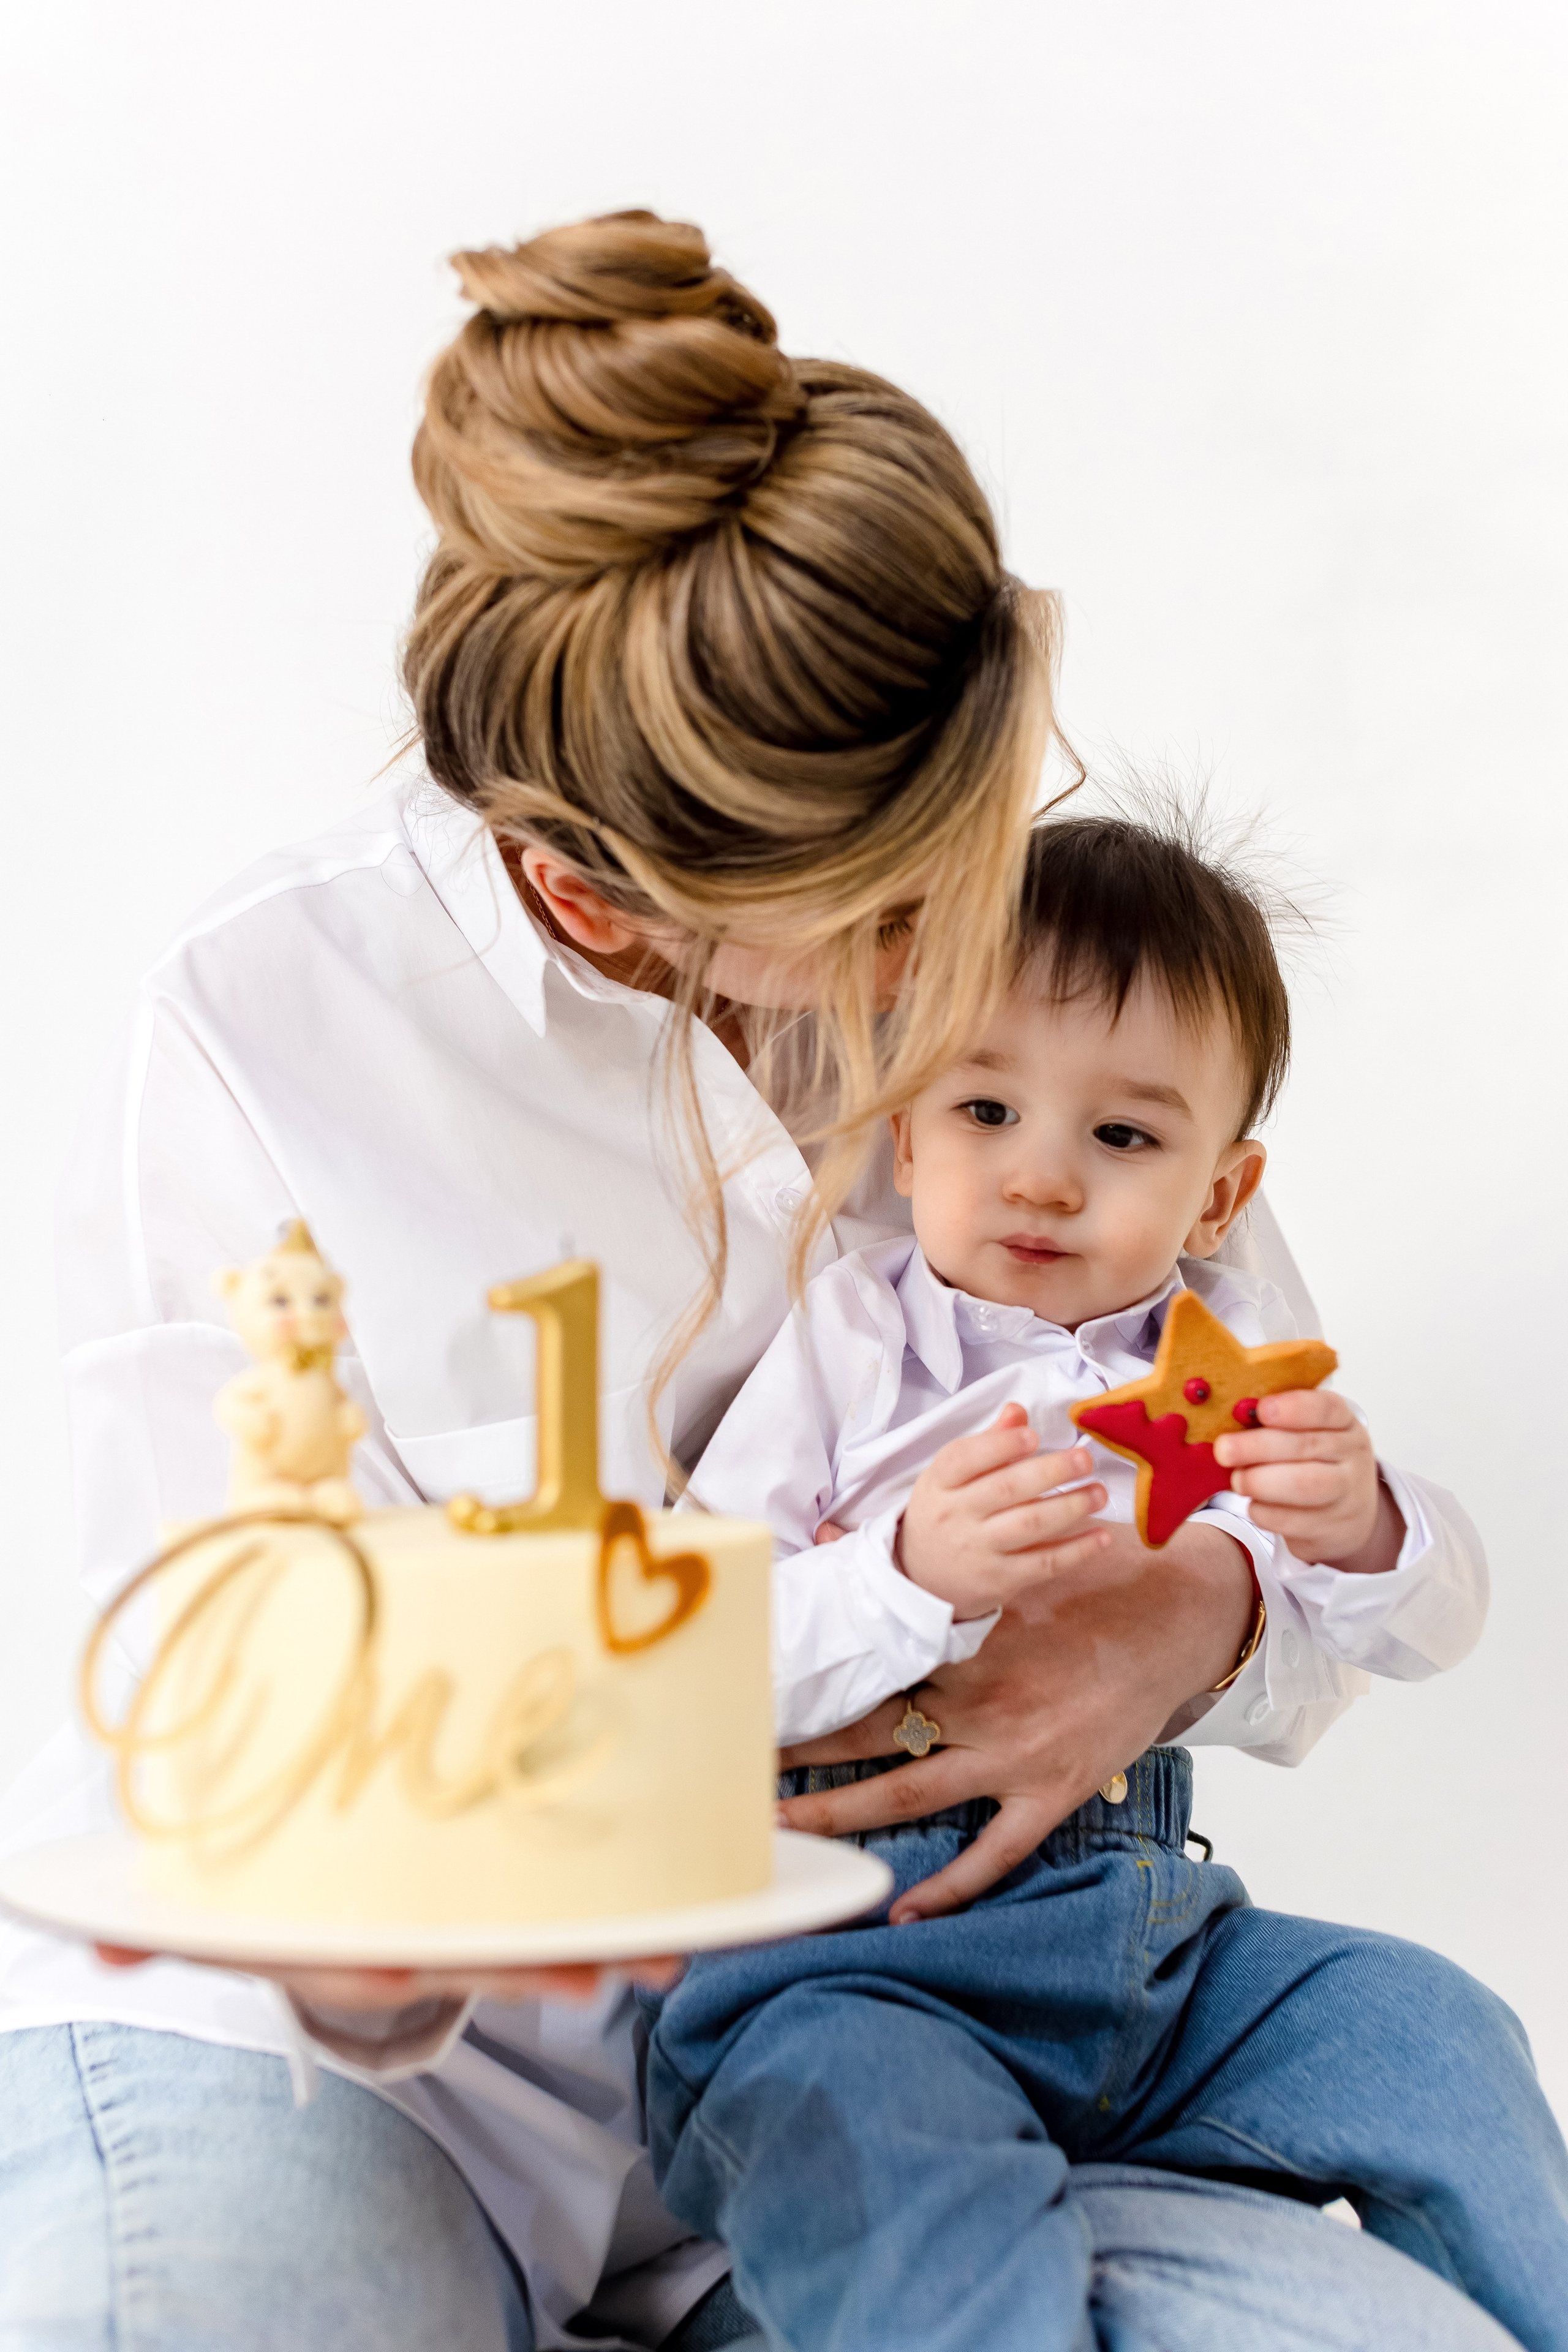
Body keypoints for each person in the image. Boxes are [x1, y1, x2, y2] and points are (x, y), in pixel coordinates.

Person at [0, 212, 1519, 2352]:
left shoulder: (1034, 971)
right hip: (395, 2086)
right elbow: (238, 1768)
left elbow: (1255, 1494)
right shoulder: (271, 1037)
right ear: (600, 905)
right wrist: (392, 1924)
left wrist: (1187, 1614)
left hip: (934, 2048)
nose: (973, 945)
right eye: (906, 906)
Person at [652, 811, 1566, 2352]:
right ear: (906, 1137)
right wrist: (902, 1576)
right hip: (855, 1972)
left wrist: (1357, 1527)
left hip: (1158, 1948)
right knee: (884, 2167)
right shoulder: (853, 1347)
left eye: (1122, 1138)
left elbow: (1431, 1623)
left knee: (1437, 2035)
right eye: (986, 1109)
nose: (1042, 1181)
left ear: (1219, 1196)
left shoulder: (1227, 1382)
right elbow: (696, 1653)